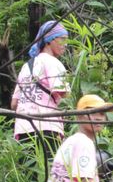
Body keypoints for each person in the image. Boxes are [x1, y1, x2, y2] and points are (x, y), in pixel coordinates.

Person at [40, 94, 109, 182]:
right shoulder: (84, 142)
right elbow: (86, 181)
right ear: (79, 115)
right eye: (93, 112)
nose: (99, 117)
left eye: (102, 113)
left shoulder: (70, 142)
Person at [12, 20, 70, 167]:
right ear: (49, 40)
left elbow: (14, 103)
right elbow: (64, 95)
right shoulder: (53, 63)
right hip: (48, 128)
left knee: (31, 178)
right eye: (62, 39)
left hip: (24, 128)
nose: (66, 44)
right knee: (51, 177)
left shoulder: (26, 66)